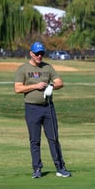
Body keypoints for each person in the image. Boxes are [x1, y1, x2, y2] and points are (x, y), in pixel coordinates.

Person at [14, 41, 71, 178]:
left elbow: (60, 82)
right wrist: (35, 86)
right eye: (37, 54)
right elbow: (18, 88)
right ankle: (37, 169)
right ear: (31, 54)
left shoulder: (48, 68)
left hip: (48, 108)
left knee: (53, 138)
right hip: (32, 108)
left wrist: (52, 86)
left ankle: (60, 167)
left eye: (42, 53)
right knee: (35, 140)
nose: (40, 56)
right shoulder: (23, 69)